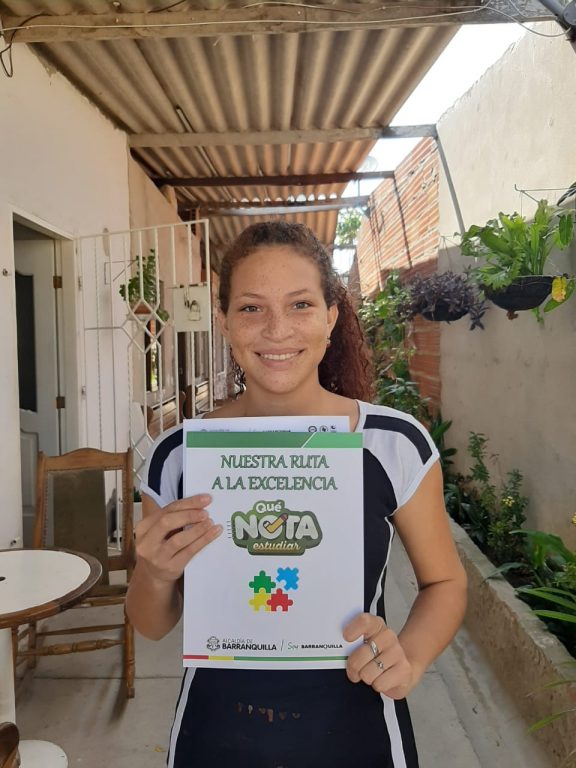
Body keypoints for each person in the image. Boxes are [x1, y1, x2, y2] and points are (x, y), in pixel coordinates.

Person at [126, 221, 467, 768]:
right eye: (251, 308)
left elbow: (445, 582)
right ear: (224, 321)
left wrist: (412, 656)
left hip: (358, 733)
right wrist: (156, 573)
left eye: (301, 304)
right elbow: (150, 622)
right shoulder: (180, 455)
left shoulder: (392, 443)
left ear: (331, 317)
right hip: (214, 735)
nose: (277, 329)